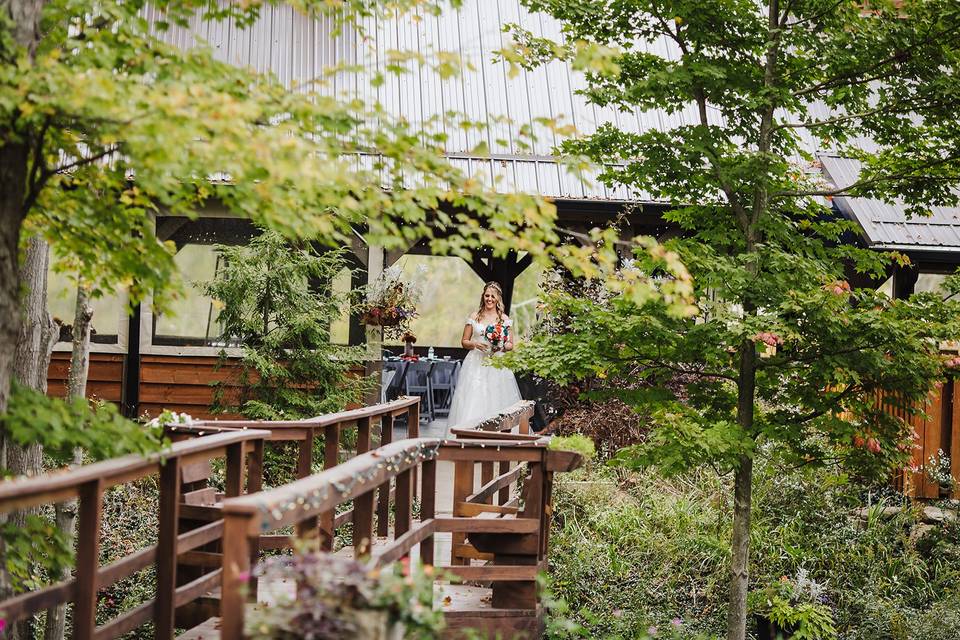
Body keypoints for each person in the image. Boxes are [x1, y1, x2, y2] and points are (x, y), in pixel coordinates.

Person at [446, 281, 522, 427]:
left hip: (497, 363)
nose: (489, 299)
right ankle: (469, 432)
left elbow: (511, 345)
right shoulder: (475, 316)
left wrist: (502, 346)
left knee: (497, 397)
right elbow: (464, 341)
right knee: (474, 396)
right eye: (487, 296)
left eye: (493, 296)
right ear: (483, 296)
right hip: (476, 362)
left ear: (498, 298)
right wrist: (475, 344)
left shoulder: (504, 319)